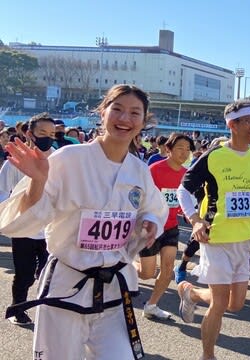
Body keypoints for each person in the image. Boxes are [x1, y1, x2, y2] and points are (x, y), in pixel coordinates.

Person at [0, 84, 168, 359]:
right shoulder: (68, 159)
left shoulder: (139, 170)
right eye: (117, 109)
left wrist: (149, 221)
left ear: (144, 121)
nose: (125, 119)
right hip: (66, 285)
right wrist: (38, 182)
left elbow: (153, 208)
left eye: (135, 113)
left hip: (113, 288)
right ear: (102, 113)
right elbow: (27, 220)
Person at [175, 100, 250, 360]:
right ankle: (208, 355)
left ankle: (189, 292)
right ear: (232, 125)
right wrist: (194, 220)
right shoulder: (214, 156)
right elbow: (183, 189)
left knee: (235, 304)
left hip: (244, 239)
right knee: (219, 303)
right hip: (216, 237)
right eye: (247, 121)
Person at [1, 113, 56, 325]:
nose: (47, 138)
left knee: (48, 273)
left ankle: (48, 312)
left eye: (51, 134)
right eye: (42, 133)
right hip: (24, 228)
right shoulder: (14, 161)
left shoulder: (57, 159)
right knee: (24, 274)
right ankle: (17, 309)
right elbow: (3, 191)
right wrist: (14, 215)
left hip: (49, 228)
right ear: (29, 133)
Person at [136, 133, 194, 320]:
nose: (184, 153)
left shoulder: (186, 174)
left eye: (187, 149)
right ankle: (128, 263)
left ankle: (152, 305)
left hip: (170, 227)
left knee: (168, 268)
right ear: (168, 149)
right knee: (147, 273)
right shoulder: (154, 170)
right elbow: (139, 196)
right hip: (150, 226)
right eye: (180, 148)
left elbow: (186, 200)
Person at [173, 136, 228, 285]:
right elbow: (186, 189)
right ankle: (182, 266)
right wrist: (193, 215)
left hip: (225, 214)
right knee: (196, 243)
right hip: (206, 210)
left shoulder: (229, 166)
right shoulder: (203, 163)